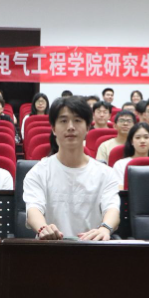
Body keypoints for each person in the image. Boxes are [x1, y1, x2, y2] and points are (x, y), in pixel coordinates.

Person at [23, 96, 121, 240]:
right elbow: (33, 209)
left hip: (92, 247)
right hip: (51, 246)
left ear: (88, 128)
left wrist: (104, 229)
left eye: (77, 120)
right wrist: (43, 228)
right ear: (53, 128)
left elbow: (112, 209)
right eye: (63, 121)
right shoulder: (38, 172)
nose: (70, 127)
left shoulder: (106, 173)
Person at [112, 122, 149, 187]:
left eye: (146, 137)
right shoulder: (121, 164)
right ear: (131, 141)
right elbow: (120, 188)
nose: (142, 141)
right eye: (138, 137)